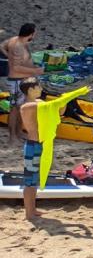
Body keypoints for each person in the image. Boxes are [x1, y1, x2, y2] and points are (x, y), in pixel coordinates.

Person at [2, 23, 43, 144]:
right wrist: (35, 71)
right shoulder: (18, 46)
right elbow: (16, 67)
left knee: (21, 108)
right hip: (16, 81)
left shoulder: (16, 41)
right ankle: (12, 136)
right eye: (34, 32)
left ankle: (19, 132)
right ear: (31, 33)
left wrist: (8, 55)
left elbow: (1, 46)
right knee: (14, 109)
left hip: (22, 81)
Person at [16, 77, 42, 221]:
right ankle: (28, 213)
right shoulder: (27, 106)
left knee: (34, 181)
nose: (41, 89)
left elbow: (60, 110)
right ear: (31, 90)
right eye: (39, 87)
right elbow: (51, 106)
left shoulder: (38, 103)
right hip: (32, 145)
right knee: (29, 182)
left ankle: (33, 209)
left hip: (40, 144)